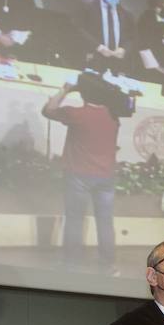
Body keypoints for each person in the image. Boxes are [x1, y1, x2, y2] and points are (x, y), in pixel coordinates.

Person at [42, 73, 122, 271]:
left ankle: (71, 262)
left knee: (75, 220)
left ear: (83, 92)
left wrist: (66, 89)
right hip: (106, 175)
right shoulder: (113, 116)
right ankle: (108, 263)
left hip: (79, 174)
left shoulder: (76, 114)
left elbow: (48, 109)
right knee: (105, 221)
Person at [76, 0, 134, 73]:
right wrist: (98, 47)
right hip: (94, 57)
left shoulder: (125, 12)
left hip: (116, 61)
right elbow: (78, 29)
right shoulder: (86, 4)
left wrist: (124, 49)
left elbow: (131, 36)